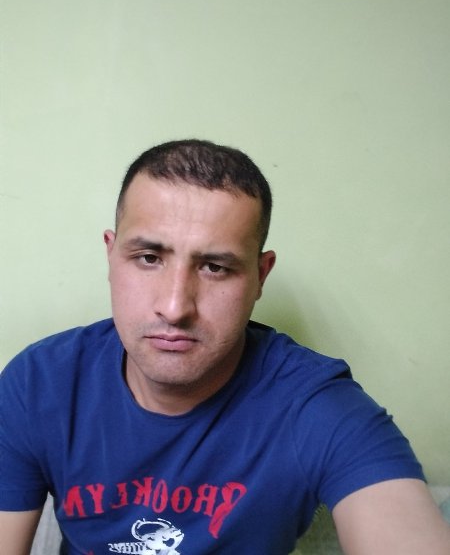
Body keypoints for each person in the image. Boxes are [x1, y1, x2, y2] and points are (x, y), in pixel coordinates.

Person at [1, 139, 449, 555]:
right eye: (149, 258)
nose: (175, 307)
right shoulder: (39, 385)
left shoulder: (313, 406)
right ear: (111, 255)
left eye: (215, 267)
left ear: (260, 276)